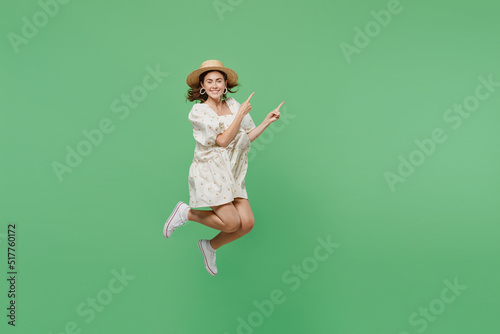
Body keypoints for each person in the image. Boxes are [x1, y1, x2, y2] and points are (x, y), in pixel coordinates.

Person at [163, 60, 285, 276]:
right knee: (231, 223)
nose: (214, 85)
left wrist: (266, 122)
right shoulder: (199, 112)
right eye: (209, 81)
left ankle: (209, 246)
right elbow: (222, 141)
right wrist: (239, 116)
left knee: (246, 224)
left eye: (219, 80)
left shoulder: (234, 105)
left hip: (233, 170)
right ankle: (186, 213)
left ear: (226, 83)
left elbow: (245, 139)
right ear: (202, 85)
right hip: (210, 171)